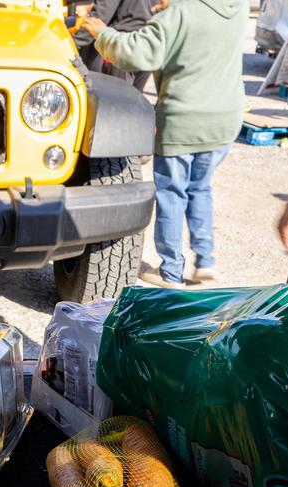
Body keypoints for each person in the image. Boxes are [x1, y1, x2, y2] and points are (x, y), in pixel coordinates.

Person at [82, 0, 245, 288]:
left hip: (183, 120)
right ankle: (205, 261)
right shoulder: (238, 6)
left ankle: (170, 272)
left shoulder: (176, 15)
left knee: (172, 194)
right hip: (226, 120)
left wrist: (101, 32)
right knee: (200, 187)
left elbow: (134, 54)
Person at [72, 0, 156, 92]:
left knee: (111, 97)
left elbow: (101, 14)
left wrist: (73, 43)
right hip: (148, 46)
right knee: (134, 98)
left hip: (120, 46)